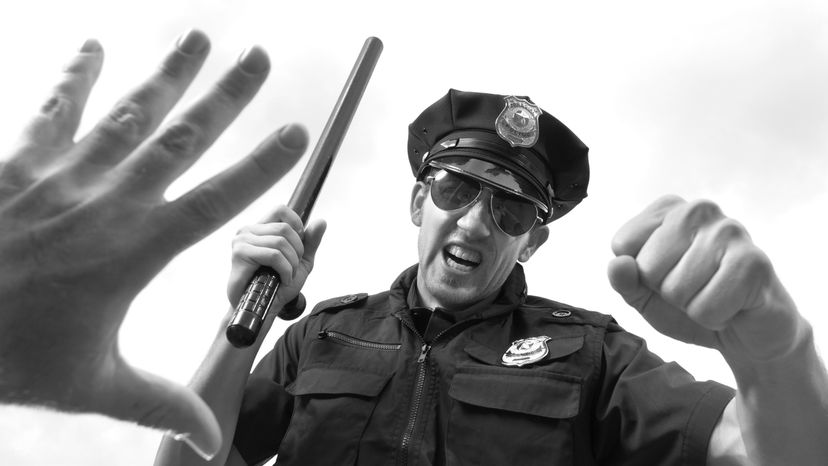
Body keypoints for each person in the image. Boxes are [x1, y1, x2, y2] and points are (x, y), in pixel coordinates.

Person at [154, 89, 828, 465]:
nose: (475, 224)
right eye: (455, 191)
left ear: (531, 240)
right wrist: (242, 319)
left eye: (509, 210)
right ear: (420, 203)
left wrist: (779, 354)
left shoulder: (591, 354)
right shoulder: (324, 334)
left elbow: (767, 452)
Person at [0, 29, 311, 460]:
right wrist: (250, 310)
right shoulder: (321, 336)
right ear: (416, 202)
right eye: (441, 183)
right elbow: (195, 460)